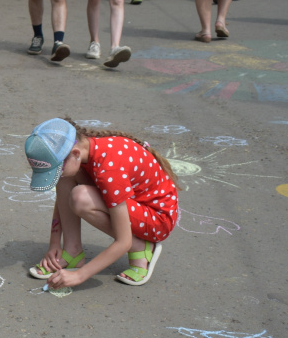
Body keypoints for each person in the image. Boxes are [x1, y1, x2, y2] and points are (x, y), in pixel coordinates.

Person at [24, 117, 179, 288]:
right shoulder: (83, 149)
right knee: (66, 177)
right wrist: (54, 243)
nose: (57, 175)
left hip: (157, 219)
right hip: (135, 203)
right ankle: (71, 250)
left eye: (56, 170)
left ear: (75, 153)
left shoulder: (109, 170)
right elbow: (62, 187)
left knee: (81, 198)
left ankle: (140, 247)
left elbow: (123, 242)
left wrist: (79, 276)